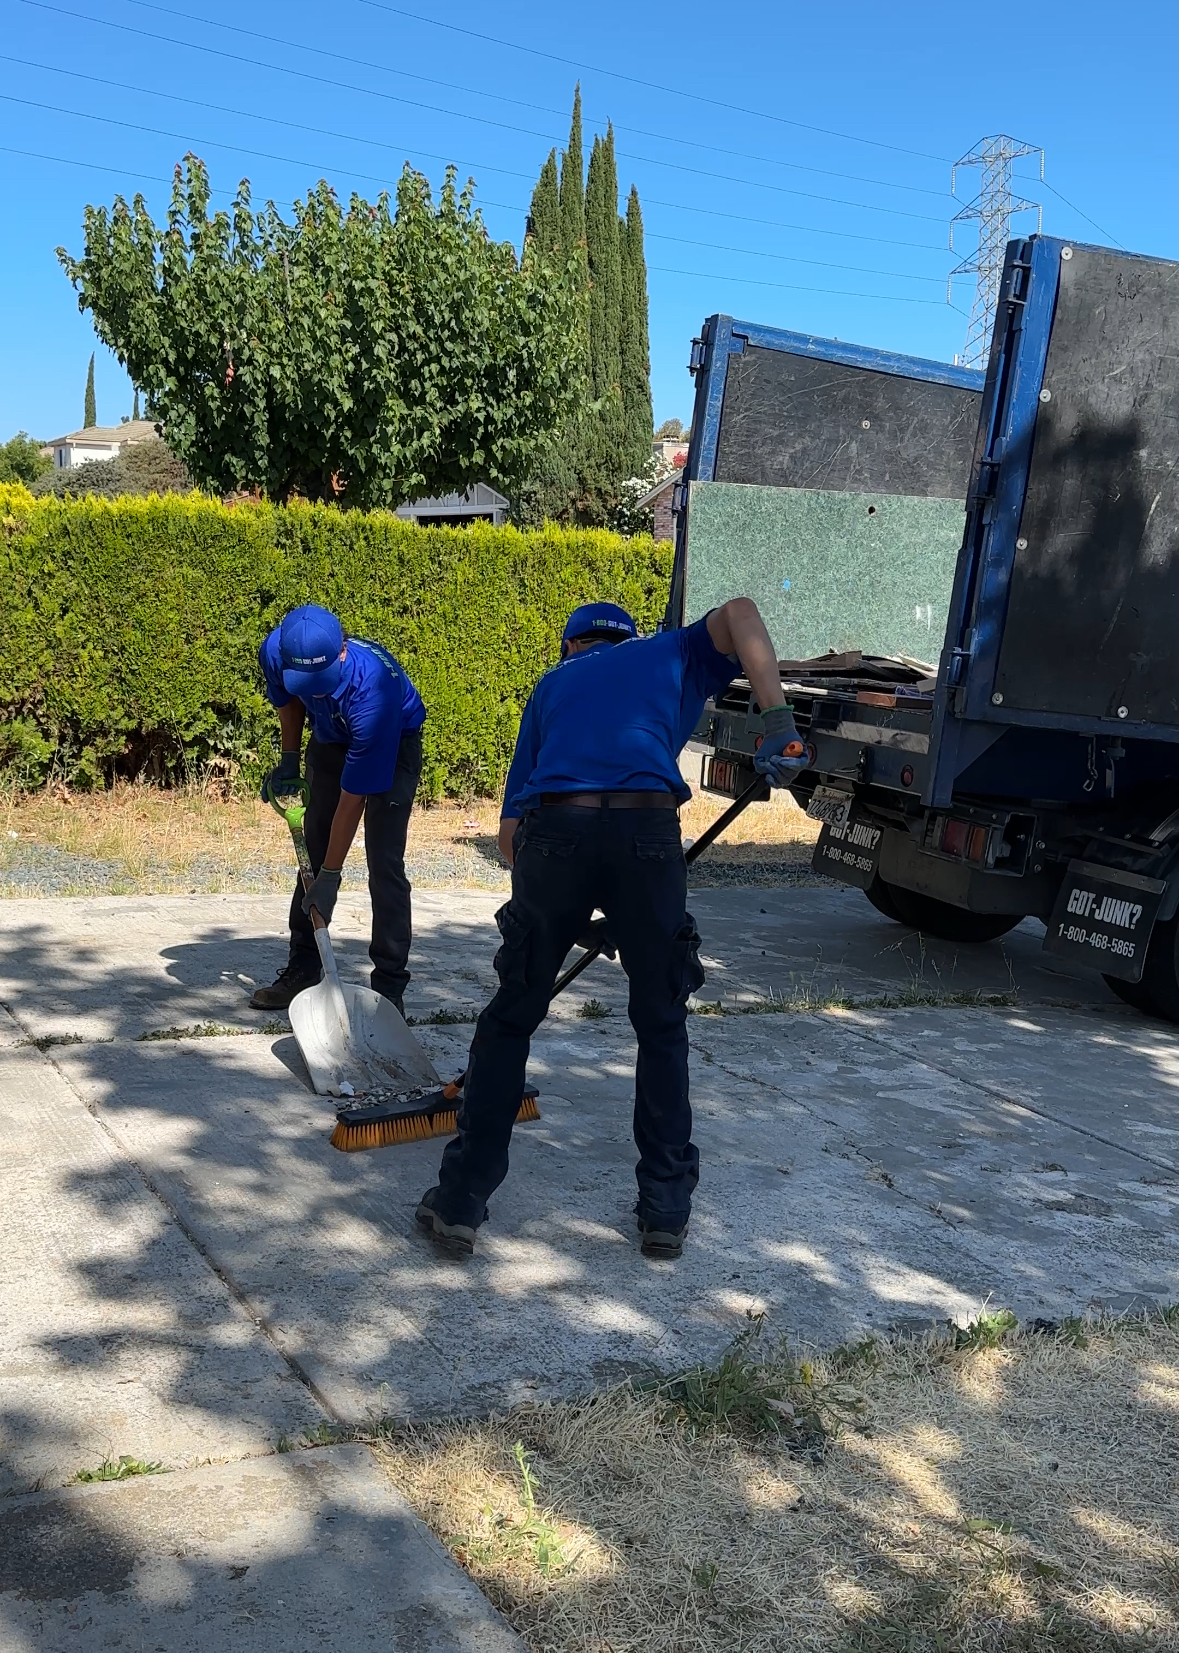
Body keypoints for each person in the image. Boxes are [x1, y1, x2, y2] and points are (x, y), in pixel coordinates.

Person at [415, 596, 805, 1259]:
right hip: (645, 832)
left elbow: (512, 836)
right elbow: (740, 611)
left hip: (554, 836)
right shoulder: (672, 651)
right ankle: (663, 1209)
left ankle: (459, 1202)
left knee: (511, 1017)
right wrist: (778, 722)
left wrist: (561, 915)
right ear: (629, 637)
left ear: (570, 646)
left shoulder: (551, 685)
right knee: (659, 1022)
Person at [250, 603, 426, 1017]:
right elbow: (289, 701)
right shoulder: (275, 651)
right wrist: (290, 758)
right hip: (329, 736)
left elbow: (354, 798)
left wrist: (331, 877)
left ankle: (389, 986)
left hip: (392, 740)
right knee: (310, 847)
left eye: (322, 680)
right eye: (305, 681)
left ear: (342, 651)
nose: (316, 690)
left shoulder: (374, 692)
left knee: (384, 861)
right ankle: (305, 968)